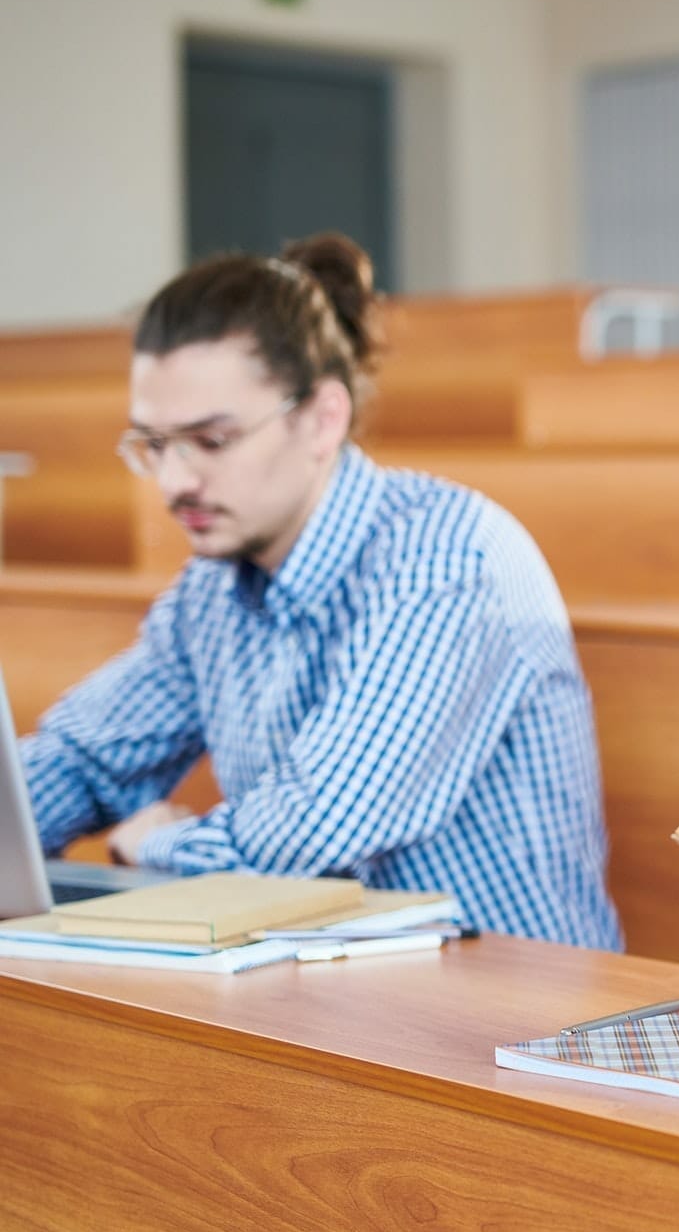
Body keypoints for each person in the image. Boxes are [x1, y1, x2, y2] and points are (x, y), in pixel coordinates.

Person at [20, 234, 622, 950]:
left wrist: (161, 845)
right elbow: (85, 759)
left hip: (518, 1018)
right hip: (326, 992)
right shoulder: (211, 591)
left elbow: (320, 824)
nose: (174, 482)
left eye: (210, 440)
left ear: (322, 417)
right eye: (153, 444)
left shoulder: (448, 555)